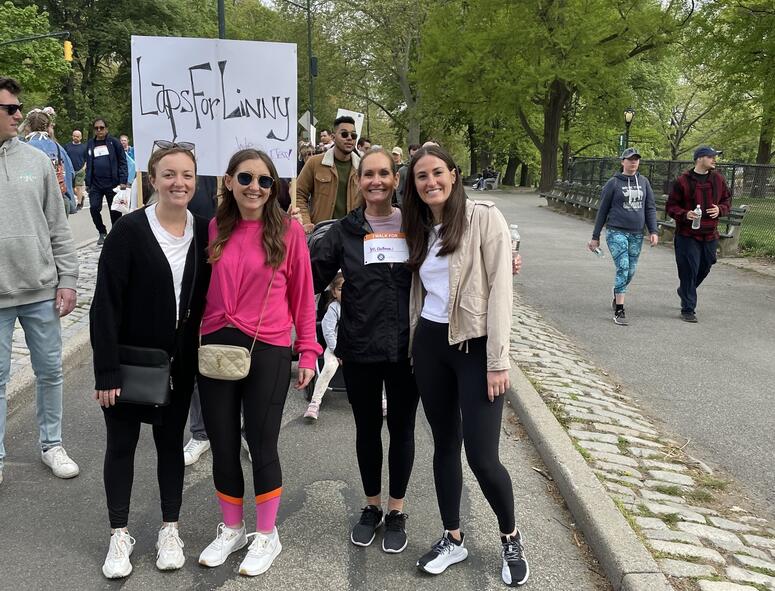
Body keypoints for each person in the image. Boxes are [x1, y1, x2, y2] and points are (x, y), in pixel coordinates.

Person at [402, 145, 529, 587]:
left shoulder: (483, 217)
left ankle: (510, 535)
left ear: (454, 175)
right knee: (444, 445)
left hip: (475, 347)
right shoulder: (416, 225)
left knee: (482, 454)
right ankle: (453, 537)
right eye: (421, 176)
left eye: (438, 172)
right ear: (413, 184)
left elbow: (501, 290)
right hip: (432, 344)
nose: (430, 181)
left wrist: (498, 360)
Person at [196, 149, 319, 577]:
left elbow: (303, 297)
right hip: (215, 348)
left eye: (265, 181)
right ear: (229, 181)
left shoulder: (289, 233)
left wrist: (308, 349)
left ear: (274, 188)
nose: (255, 187)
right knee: (223, 441)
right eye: (245, 178)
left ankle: (267, 535)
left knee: (262, 443)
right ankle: (232, 527)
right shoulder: (216, 227)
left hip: (266, 347)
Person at [90, 145, 211, 578]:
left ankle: (169, 528)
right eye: (169, 174)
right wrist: (105, 370)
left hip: (177, 367)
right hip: (127, 363)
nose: (179, 182)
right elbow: (104, 304)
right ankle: (118, 534)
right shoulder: (129, 231)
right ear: (153, 178)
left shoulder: (205, 232)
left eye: (188, 175)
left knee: (169, 447)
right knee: (121, 446)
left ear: (196, 180)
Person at [311, 147, 420, 554]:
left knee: (403, 430)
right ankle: (372, 506)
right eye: (367, 174)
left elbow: (455, 255)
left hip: (407, 349)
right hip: (359, 348)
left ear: (395, 180)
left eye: (383, 174)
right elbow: (307, 279)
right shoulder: (343, 231)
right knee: (367, 429)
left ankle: (396, 510)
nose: (376, 181)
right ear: (358, 182)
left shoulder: (416, 225)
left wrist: (505, 257)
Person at [0, 77, 80, 487]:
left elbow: (58, 227)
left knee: (49, 370)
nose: (19, 115)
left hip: (39, 290)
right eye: (10, 109)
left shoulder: (36, 161)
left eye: (18, 108)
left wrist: (68, 278)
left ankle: (52, 444)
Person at [588, 147, 658, 325]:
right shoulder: (613, 183)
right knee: (623, 266)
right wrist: (595, 237)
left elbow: (649, 207)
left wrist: (653, 231)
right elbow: (602, 210)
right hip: (616, 231)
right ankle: (619, 310)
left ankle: (617, 292)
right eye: (629, 159)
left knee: (631, 271)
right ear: (622, 162)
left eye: (636, 159)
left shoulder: (643, 182)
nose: (633, 162)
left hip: (636, 233)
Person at [667, 146, 731, 323]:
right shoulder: (682, 181)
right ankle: (688, 309)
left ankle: (686, 290)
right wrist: (684, 214)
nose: (714, 160)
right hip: (687, 235)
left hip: (710, 233)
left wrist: (720, 209)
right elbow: (671, 207)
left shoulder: (718, 179)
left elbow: (727, 200)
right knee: (689, 269)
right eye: (711, 157)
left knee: (706, 264)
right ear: (699, 158)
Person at [296, 116, 361, 229]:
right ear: (333, 137)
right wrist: (306, 222)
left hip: (352, 234)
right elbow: (298, 194)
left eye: (353, 135)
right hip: (321, 234)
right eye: (344, 134)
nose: (350, 138)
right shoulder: (314, 163)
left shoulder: (362, 167)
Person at [303, 272, 344, 420]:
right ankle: (315, 402)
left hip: (355, 347)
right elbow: (328, 333)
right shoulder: (334, 308)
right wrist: (338, 352)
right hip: (335, 348)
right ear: (334, 291)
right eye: (340, 289)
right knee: (329, 366)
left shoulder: (359, 306)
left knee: (372, 368)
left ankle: (381, 399)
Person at [23, 109, 77, 215]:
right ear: (48, 127)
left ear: (28, 127)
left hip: (34, 202)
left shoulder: (23, 148)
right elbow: (70, 173)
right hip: (59, 200)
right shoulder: (58, 147)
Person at [85, 117, 128, 245]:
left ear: (106, 128)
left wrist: (123, 180)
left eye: (101, 128)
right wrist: (88, 182)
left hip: (112, 184)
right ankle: (102, 232)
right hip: (96, 184)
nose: (99, 130)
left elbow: (122, 162)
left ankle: (116, 233)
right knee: (93, 208)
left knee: (114, 210)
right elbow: (89, 163)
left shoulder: (114, 143)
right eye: (96, 128)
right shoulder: (90, 144)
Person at [64, 129, 87, 209]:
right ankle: (81, 196)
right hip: (70, 170)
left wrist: (84, 168)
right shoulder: (67, 146)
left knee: (78, 186)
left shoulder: (84, 147)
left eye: (77, 136)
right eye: (74, 136)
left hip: (80, 170)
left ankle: (79, 203)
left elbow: (87, 159)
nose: (75, 138)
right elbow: (64, 158)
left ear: (80, 137)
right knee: (70, 187)